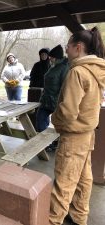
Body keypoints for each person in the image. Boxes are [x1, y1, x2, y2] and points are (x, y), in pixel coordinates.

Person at [49, 27, 105, 225]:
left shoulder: (78, 72)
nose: (66, 50)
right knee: (83, 180)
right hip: (88, 134)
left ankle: (53, 221)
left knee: (63, 184)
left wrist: (54, 119)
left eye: (68, 46)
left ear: (78, 47)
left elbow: (67, 112)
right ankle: (79, 218)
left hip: (73, 138)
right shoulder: (97, 70)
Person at [36, 45, 69, 133]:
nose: (49, 58)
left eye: (51, 57)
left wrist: (61, 101)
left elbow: (65, 86)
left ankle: (54, 143)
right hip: (46, 100)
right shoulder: (53, 66)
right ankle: (44, 142)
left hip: (56, 101)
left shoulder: (64, 67)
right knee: (40, 121)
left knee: (59, 125)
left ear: (57, 57)